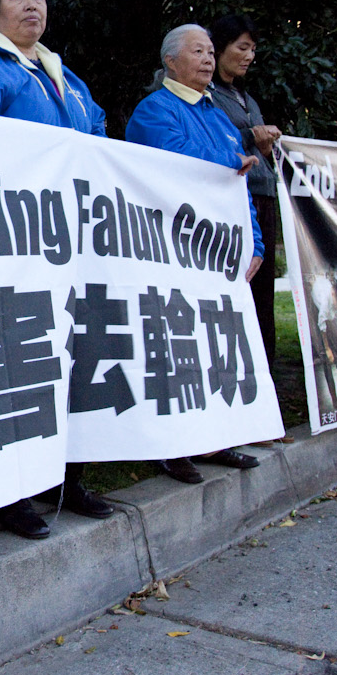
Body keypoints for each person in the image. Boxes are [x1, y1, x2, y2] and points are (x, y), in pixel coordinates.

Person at [0, 0, 113, 540]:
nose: (31, 4)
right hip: (9, 246)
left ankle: (64, 478)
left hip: (70, 244)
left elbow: (100, 144)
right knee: (14, 365)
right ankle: (6, 492)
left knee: (71, 358)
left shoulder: (67, 78)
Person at [125, 24, 264, 485]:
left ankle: (214, 439)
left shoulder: (218, 115)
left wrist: (254, 242)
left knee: (214, 348)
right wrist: (230, 162)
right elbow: (177, 158)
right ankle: (171, 448)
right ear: (170, 61)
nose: (208, 59)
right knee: (173, 347)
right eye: (197, 51)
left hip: (218, 253)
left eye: (209, 51)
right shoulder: (154, 110)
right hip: (171, 252)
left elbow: (239, 186)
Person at [207, 15, 282, 369]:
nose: (250, 56)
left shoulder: (247, 97)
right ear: (219, 48)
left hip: (264, 200)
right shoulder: (208, 96)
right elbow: (214, 142)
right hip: (236, 201)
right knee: (242, 287)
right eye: (242, 47)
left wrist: (263, 146)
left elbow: (258, 151)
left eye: (253, 49)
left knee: (264, 293)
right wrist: (252, 136)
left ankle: (267, 372)